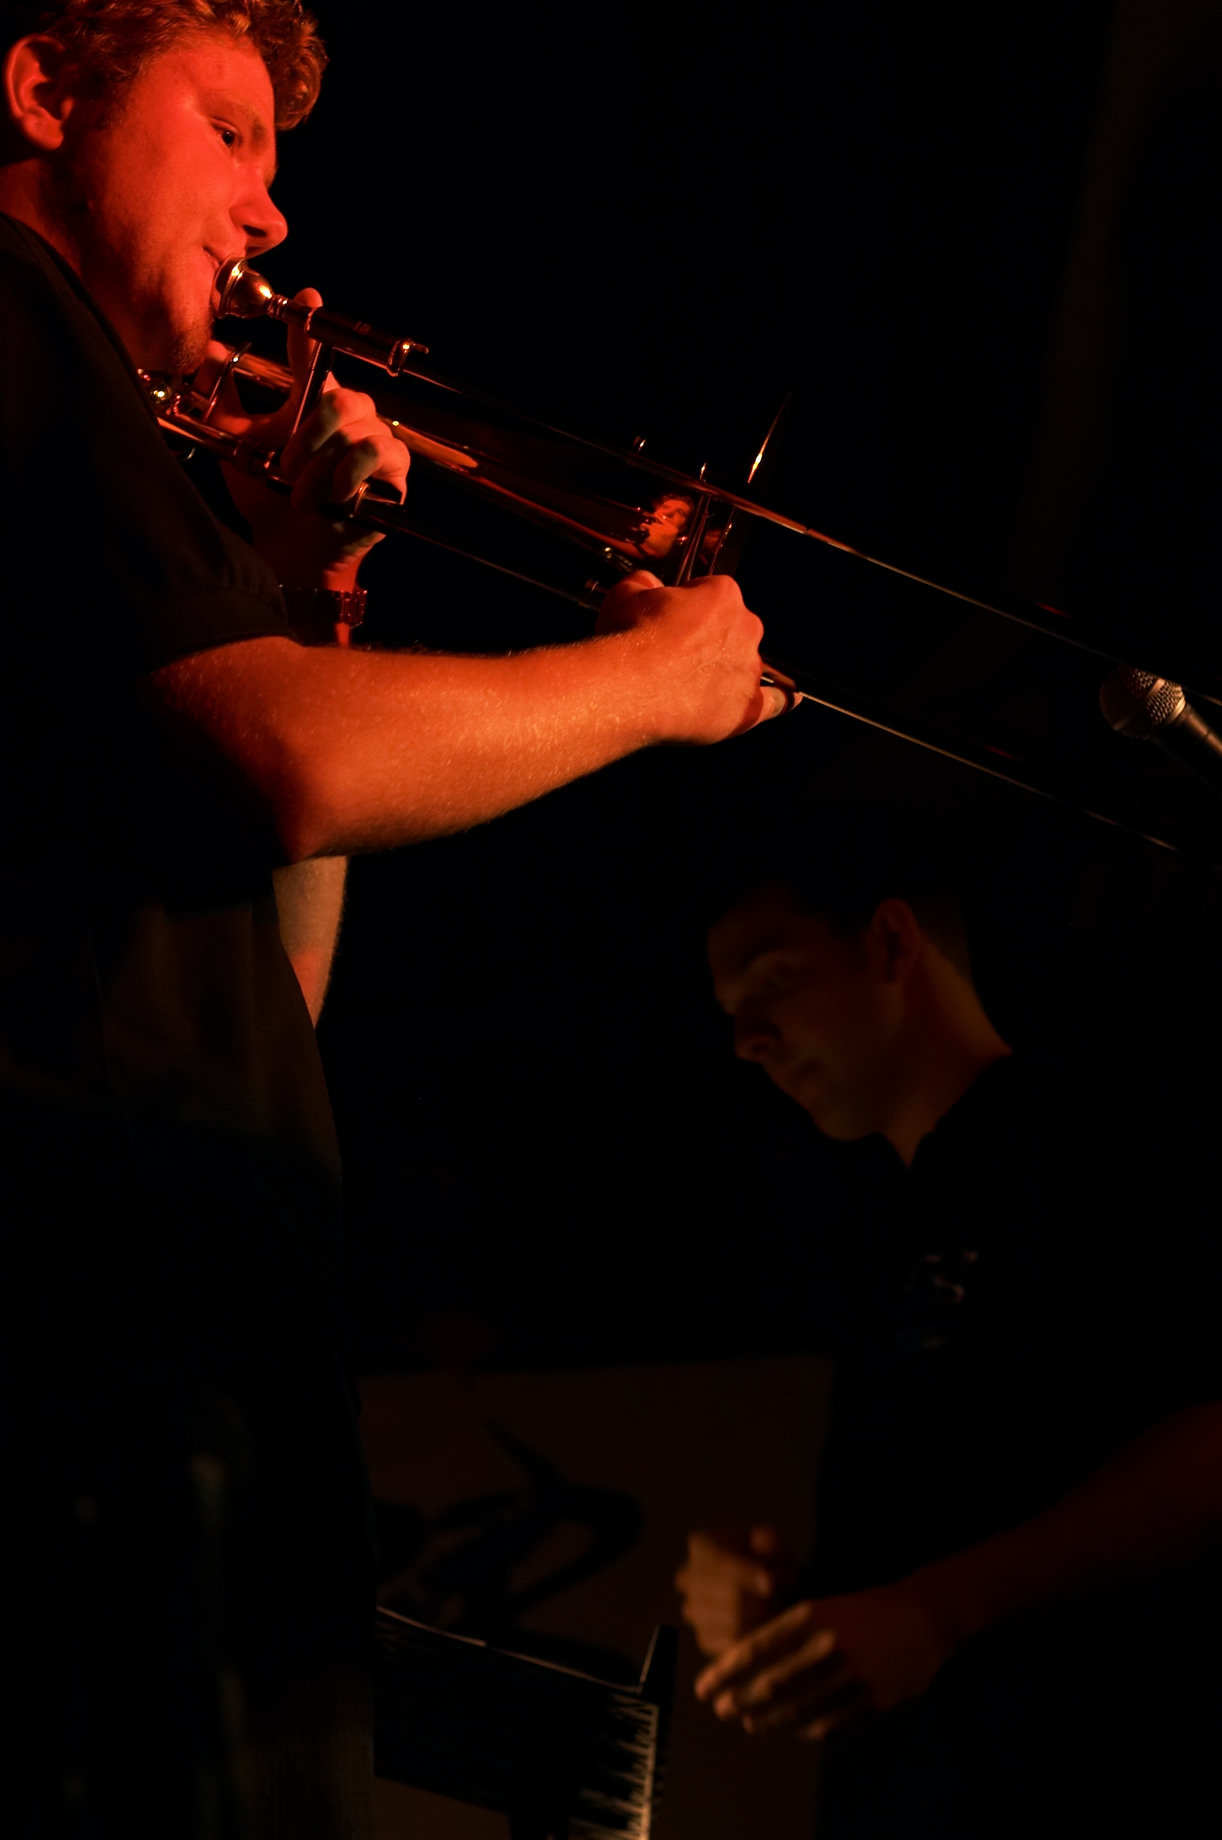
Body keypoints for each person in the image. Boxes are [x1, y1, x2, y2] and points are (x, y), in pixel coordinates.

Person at [0, 3, 792, 1834]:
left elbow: (280, 980)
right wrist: (651, 686)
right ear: (41, 93)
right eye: (224, 131)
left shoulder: (92, 447)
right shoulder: (22, 321)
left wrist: (309, 595)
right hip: (97, 1376)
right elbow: (297, 762)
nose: (270, 214)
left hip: (176, 1356)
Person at [678, 811, 1222, 1835]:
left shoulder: (1102, 1145)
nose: (748, 1041)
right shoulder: (881, 1229)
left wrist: (938, 1609)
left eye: (773, 981)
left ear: (890, 941)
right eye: (733, 1014)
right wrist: (781, 1597)